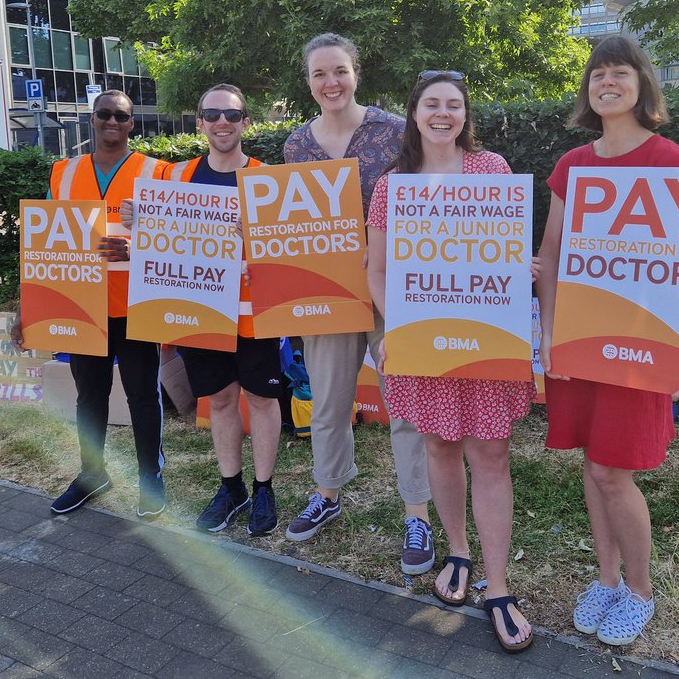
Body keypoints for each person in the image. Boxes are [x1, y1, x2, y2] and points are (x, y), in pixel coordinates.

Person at [535, 36, 679, 647]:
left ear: (641, 84)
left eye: (620, 73)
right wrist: (549, 334)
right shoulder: (572, 166)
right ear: (587, 89)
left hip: (641, 352)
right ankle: (606, 579)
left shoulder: (674, 163)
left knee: (613, 470)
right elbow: (552, 257)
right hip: (580, 347)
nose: (607, 83)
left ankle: (639, 592)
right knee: (592, 461)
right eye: (597, 74)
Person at [366, 71, 538, 653]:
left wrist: (526, 270)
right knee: (438, 445)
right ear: (414, 114)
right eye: (432, 105)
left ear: (465, 115)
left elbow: (507, 256)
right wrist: (399, 327)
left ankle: (499, 586)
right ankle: (458, 552)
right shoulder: (393, 187)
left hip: (484, 340)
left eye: (454, 105)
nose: (443, 114)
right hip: (421, 342)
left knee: (489, 454)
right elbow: (379, 270)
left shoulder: (492, 170)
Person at [281, 33, 434, 577]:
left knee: (406, 399)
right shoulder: (296, 146)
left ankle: (416, 512)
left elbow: (428, 197)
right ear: (308, 81)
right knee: (327, 403)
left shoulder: (397, 131)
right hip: (325, 293)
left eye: (340, 71)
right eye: (320, 74)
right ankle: (328, 492)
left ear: (356, 72)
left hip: (392, 286)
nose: (331, 83)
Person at [10, 89, 171, 519]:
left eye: (121, 115)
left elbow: (178, 241)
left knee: (142, 395)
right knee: (89, 396)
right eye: (105, 114)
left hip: (136, 304)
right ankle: (91, 474)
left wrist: (137, 247)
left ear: (132, 123)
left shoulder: (159, 173)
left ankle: (149, 477)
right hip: (81, 306)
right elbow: (44, 248)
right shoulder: (63, 172)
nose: (112, 122)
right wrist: (27, 309)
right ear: (92, 120)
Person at [160, 83, 284, 537]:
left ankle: (264, 488)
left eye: (232, 115)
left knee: (262, 399)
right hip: (201, 309)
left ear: (246, 123)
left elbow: (287, 251)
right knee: (222, 399)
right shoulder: (174, 179)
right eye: (212, 114)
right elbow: (155, 242)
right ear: (200, 123)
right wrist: (137, 220)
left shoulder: (268, 179)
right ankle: (231, 488)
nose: (222, 123)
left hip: (255, 312)